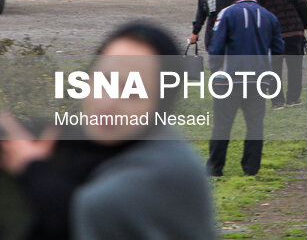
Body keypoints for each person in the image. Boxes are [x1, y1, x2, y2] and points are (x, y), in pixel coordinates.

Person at [0, 23, 216, 240]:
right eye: (104, 81)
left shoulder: (167, 168)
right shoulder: (94, 145)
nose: (109, 102)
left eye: (132, 92)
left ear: (160, 103)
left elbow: (86, 213)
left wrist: (32, 170)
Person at [207, 0, 284, 177]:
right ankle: (251, 168)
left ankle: (215, 168)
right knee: (255, 125)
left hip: (229, 80)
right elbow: (278, 50)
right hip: (258, 80)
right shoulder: (269, 17)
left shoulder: (227, 14)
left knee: (222, 124)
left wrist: (215, 74)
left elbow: (216, 48)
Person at [256, 0, 307, 108]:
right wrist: (304, 24)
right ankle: (293, 99)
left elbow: (258, 13)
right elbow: (302, 4)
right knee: (295, 67)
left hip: (273, 36)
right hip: (294, 32)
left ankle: (277, 101)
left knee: (274, 68)